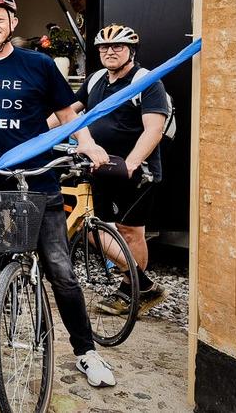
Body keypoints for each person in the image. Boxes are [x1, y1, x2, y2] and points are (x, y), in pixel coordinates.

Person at [0, 0, 118, 388]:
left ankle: (86, 351)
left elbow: (68, 115)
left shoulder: (39, 64)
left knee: (61, 270)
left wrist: (87, 144)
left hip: (38, 184)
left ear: (13, 22)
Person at [60, 24, 170, 315]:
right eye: (104, 48)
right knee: (91, 225)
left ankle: (130, 292)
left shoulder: (147, 82)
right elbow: (68, 110)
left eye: (117, 47)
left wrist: (131, 163)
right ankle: (142, 285)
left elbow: (154, 130)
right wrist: (35, 134)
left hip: (134, 170)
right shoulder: (96, 78)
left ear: (131, 51)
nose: (110, 52)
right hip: (99, 166)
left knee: (130, 232)